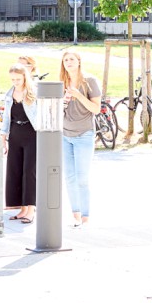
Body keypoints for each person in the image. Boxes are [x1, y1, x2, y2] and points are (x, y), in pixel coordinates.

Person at [59, 49, 103, 227]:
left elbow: (96, 109)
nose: (68, 62)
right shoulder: (62, 83)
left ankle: (86, 216)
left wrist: (78, 95)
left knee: (82, 178)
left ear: (79, 61)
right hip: (65, 134)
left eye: (71, 59)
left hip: (84, 134)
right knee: (69, 177)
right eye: (65, 60)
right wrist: (62, 101)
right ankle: (75, 214)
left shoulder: (89, 81)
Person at [1, 64, 38, 223]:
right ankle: (22, 209)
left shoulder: (33, 93)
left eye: (18, 79)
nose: (15, 82)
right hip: (16, 134)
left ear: (25, 77)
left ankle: (31, 209)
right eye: (13, 79)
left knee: (30, 171)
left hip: (32, 134)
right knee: (15, 170)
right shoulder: (9, 94)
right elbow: (6, 116)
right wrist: (4, 135)